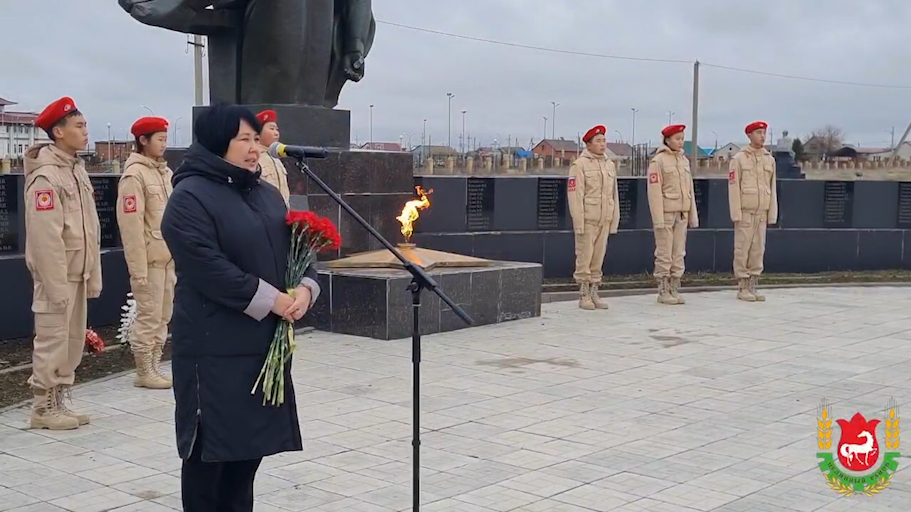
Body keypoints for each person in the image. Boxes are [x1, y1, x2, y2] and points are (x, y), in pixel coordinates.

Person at [160, 103, 321, 512]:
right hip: (213, 348)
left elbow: (296, 247)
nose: (255, 148)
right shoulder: (189, 197)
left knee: (248, 454)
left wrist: (305, 287)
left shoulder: (265, 194)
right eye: (244, 140)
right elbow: (207, 268)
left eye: (256, 139)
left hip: (260, 344)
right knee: (209, 455)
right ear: (218, 143)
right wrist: (273, 300)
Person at [23, 97, 101, 430]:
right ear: (58, 132)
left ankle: (60, 398)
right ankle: (43, 406)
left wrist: (92, 273)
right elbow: (46, 239)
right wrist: (56, 286)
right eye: (79, 126)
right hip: (58, 277)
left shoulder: (76, 170)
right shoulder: (46, 177)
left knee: (70, 341)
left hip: (77, 273)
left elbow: (90, 228)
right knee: (52, 339)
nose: (85, 132)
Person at [116, 116, 174, 389]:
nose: (164, 144)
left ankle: (155, 364)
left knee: (163, 315)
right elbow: (131, 227)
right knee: (149, 315)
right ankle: (143, 370)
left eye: (165, 139)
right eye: (159, 139)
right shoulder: (134, 175)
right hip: (149, 258)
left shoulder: (164, 173)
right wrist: (137, 270)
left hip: (168, 257)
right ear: (143, 140)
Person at [567, 125, 619, 310]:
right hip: (588, 218)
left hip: (604, 218)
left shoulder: (609, 164)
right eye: (598, 141)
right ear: (588, 144)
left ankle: (594, 291)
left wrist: (614, 219)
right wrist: (578, 222)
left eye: (604, 140)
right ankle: (583, 294)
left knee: (598, 258)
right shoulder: (579, 165)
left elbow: (614, 194)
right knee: (585, 257)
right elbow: (575, 195)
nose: (602, 144)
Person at [647, 124, 698, 305]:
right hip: (666, 214)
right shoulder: (658, 162)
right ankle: (663, 289)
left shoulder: (684, 161)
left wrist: (693, 216)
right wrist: (658, 219)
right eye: (677, 138)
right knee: (664, 252)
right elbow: (654, 193)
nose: (680, 142)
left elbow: (689, 189)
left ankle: (675, 286)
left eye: (682, 138)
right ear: (667, 140)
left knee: (678, 253)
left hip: (682, 213)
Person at [729, 121, 778, 301]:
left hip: (761, 212)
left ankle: (753, 284)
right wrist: (736, 213)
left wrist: (771, 213)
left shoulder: (769, 159)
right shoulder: (739, 159)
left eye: (764, 132)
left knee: (758, 249)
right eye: (758, 132)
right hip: (746, 212)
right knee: (743, 249)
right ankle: (742, 285)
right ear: (749, 135)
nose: (762, 136)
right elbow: (733, 188)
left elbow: (772, 188)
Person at [255, 109, 290, 207]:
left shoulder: (276, 158)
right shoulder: (254, 158)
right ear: (258, 132)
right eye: (271, 128)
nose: (276, 133)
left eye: (276, 129)